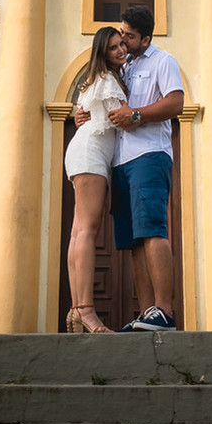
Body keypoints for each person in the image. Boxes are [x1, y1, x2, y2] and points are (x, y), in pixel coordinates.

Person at [77, 3, 184, 330]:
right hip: (121, 162)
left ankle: (164, 310)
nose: (123, 41)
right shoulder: (121, 67)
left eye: (129, 36)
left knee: (152, 229)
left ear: (146, 37)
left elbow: (176, 102)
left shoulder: (163, 61)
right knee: (133, 239)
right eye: (121, 35)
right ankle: (147, 311)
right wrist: (82, 115)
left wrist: (136, 115)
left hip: (149, 155)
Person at [63, 25, 129, 333]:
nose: (121, 50)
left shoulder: (93, 80)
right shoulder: (107, 80)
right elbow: (122, 117)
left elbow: (81, 113)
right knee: (87, 231)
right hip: (91, 153)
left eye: (121, 45)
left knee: (79, 233)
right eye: (114, 47)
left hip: (82, 151)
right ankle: (87, 311)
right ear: (103, 51)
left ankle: (77, 310)